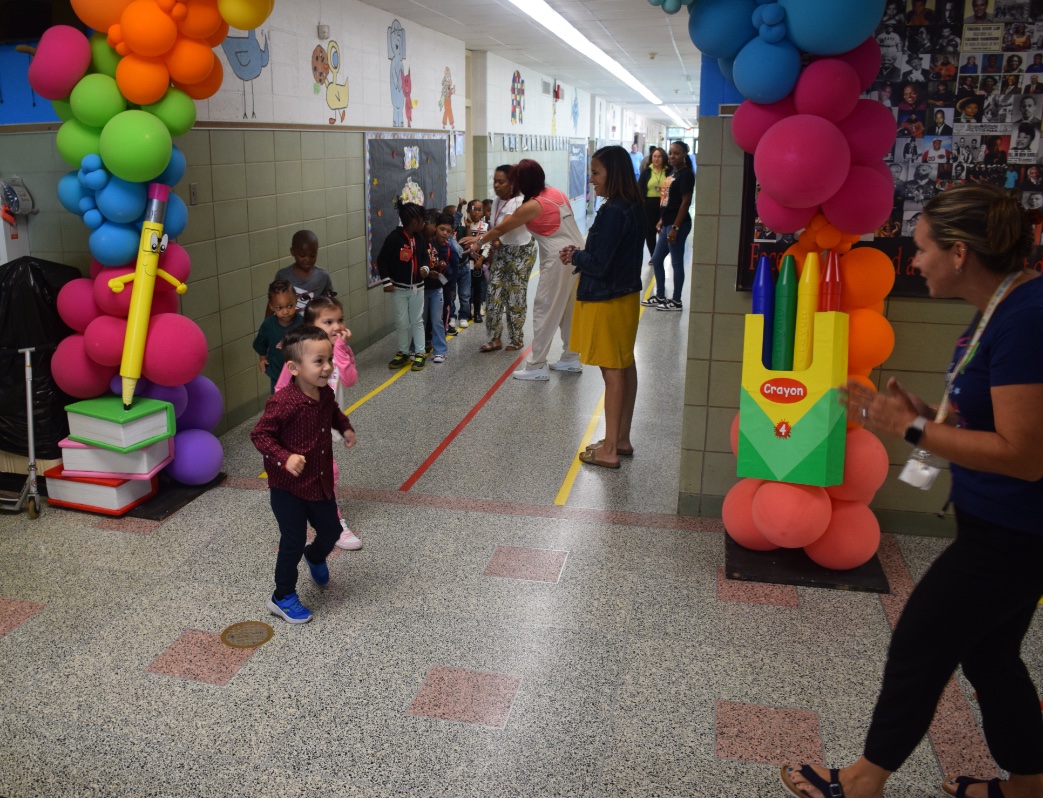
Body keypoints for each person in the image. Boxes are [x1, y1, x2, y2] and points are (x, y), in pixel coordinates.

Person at [781, 183, 1043, 798]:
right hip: (998, 524)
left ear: (959, 253)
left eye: (921, 249)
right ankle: (1031, 785)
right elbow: (998, 421)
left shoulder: (1028, 318)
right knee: (989, 656)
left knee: (921, 641)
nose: (912, 260)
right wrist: (922, 414)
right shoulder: (1002, 308)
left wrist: (916, 428)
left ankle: (864, 780)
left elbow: (1027, 456)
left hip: (1017, 531)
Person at [250, 326, 357, 625]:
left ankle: (316, 555)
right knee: (292, 541)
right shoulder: (282, 403)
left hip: (318, 481)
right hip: (287, 488)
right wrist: (286, 458)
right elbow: (260, 435)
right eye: (318, 362)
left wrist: (345, 427)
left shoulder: (324, 393)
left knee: (332, 531)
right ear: (294, 368)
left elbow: (334, 411)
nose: (327, 368)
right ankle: (282, 596)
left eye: (328, 360)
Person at [461, 158, 585, 381]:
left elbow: (502, 227)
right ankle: (570, 357)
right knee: (569, 310)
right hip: (577, 254)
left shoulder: (533, 205)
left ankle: (536, 365)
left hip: (560, 258)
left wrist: (478, 243)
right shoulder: (556, 193)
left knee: (545, 310)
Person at [558, 146, 643, 470]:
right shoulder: (633, 207)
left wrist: (575, 255)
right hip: (625, 298)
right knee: (624, 365)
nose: (591, 179)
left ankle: (609, 448)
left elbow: (600, 263)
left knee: (612, 373)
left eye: (595, 173)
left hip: (607, 300)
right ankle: (620, 438)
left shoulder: (612, 212)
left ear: (612, 173)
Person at [274, 296, 361, 551]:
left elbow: (350, 378)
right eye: (328, 321)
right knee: (327, 472)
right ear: (312, 327)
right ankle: (333, 523)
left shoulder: (340, 352)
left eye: (339, 320)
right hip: (300, 428)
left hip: (326, 425)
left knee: (319, 473)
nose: (336, 326)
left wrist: (342, 349)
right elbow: (281, 387)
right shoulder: (300, 355)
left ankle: (315, 512)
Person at [482, 164, 537, 353]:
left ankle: (516, 338)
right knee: (494, 294)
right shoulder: (497, 201)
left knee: (515, 295)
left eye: (501, 182)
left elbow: (502, 229)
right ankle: (494, 338)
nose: (496, 185)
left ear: (512, 183)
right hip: (502, 250)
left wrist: (480, 242)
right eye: (494, 181)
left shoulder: (520, 202)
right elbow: (496, 232)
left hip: (521, 252)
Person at [641, 140, 694, 311]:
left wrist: (675, 227)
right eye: (670, 153)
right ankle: (660, 295)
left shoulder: (686, 174)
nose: (672, 156)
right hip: (667, 222)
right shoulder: (674, 172)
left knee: (676, 262)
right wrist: (662, 220)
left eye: (676, 153)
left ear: (685, 155)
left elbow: (685, 202)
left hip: (678, 224)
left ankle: (676, 300)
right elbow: (669, 201)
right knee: (656, 259)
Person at [376, 201, 429, 372]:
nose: (424, 223)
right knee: (401, 321)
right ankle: (403, 352)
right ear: (414, 221)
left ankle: (420, 353)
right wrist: (387, 281)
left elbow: (424, 257)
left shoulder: (420, 238)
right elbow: (381, 260)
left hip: (417, 288)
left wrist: (425, 268)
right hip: (398, 289)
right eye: (422, 220)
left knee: (417, 320)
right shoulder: (394, 238)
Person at [253, 279, 302, 394]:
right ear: (272, 306)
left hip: (300, 376)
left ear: (296, 301)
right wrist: (262, 359)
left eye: (290, 306)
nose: (285, 311)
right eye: (280, 308)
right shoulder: (268, 325)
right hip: (277, 375)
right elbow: (261, 344)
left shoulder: (302, 323)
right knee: (279, 404)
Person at [275, 229, 335, 315]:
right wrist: (266, 326)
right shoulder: (283, 276)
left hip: (315, 327)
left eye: (312, 255)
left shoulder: (323, 276)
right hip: (291, 327)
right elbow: (274, 302)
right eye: (302, 255)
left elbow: (330, 304)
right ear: (293, 252)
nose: (307, 260)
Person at [420, 213, 451, 364]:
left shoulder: (442, 245)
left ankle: (440, 350)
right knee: (421, 320)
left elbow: (448, 265)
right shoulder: (422, 242)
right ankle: (418, 348)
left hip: (437, 288)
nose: (443, 233)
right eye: (440, 229)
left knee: (437, 320)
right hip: (422, 288)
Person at [454, 200, 488, 327]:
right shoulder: (463, 226)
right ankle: (467, 312)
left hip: (478, 262)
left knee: (477, 287)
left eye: (480, 210)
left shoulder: (485, 227)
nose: (477, 212)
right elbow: (465, 244)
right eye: (474, 209)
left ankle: (477, 311)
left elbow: (488, 244)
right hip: (467, 263)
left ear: (483, 212)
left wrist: (481, 259)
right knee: (466, 289)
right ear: (468, 211)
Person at [637, 147, 671, 261]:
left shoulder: (669, 171)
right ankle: (654, 255)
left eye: (659, 156)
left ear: (664, 158)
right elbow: (640, 187)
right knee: (650, 231)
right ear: (651, 158)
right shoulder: (647, 172)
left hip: (665, 204)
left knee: (663, 230)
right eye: (654, 156)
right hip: (649, 204)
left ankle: (660, 254)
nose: (656, 159)